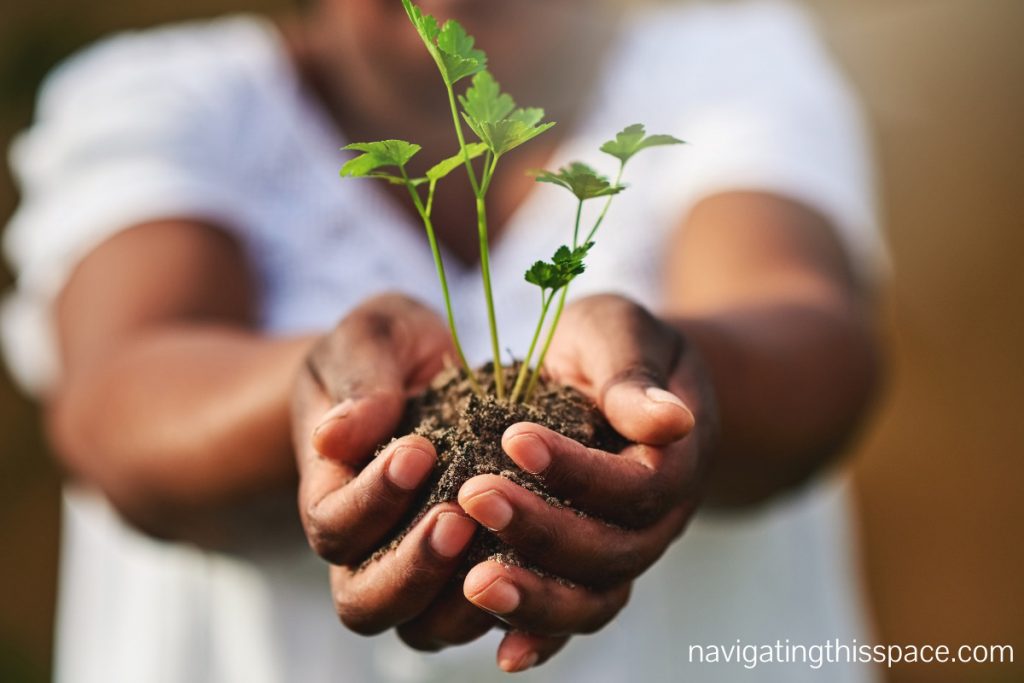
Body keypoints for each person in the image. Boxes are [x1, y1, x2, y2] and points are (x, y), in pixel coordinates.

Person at [1, 0, 886, 680]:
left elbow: (811, 339)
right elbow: (119, 398)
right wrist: (319, 405)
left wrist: (672, 392)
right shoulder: (161, 98)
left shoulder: (728, 64)